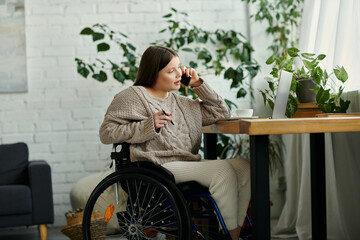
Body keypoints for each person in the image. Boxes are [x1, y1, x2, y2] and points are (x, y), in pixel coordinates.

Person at [99, 45, 250, 240]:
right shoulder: (134, 96)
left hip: (185, 162)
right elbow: (106, 132)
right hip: (157, 166)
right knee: (222, 170)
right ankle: (233, 236)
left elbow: (222, 112)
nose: (179, 74)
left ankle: (233, 230)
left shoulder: (181, 102)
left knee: (244, 167)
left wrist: (198, 85)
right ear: (153, 73)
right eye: (171, 71)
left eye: (179, 68)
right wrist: (147, 125)